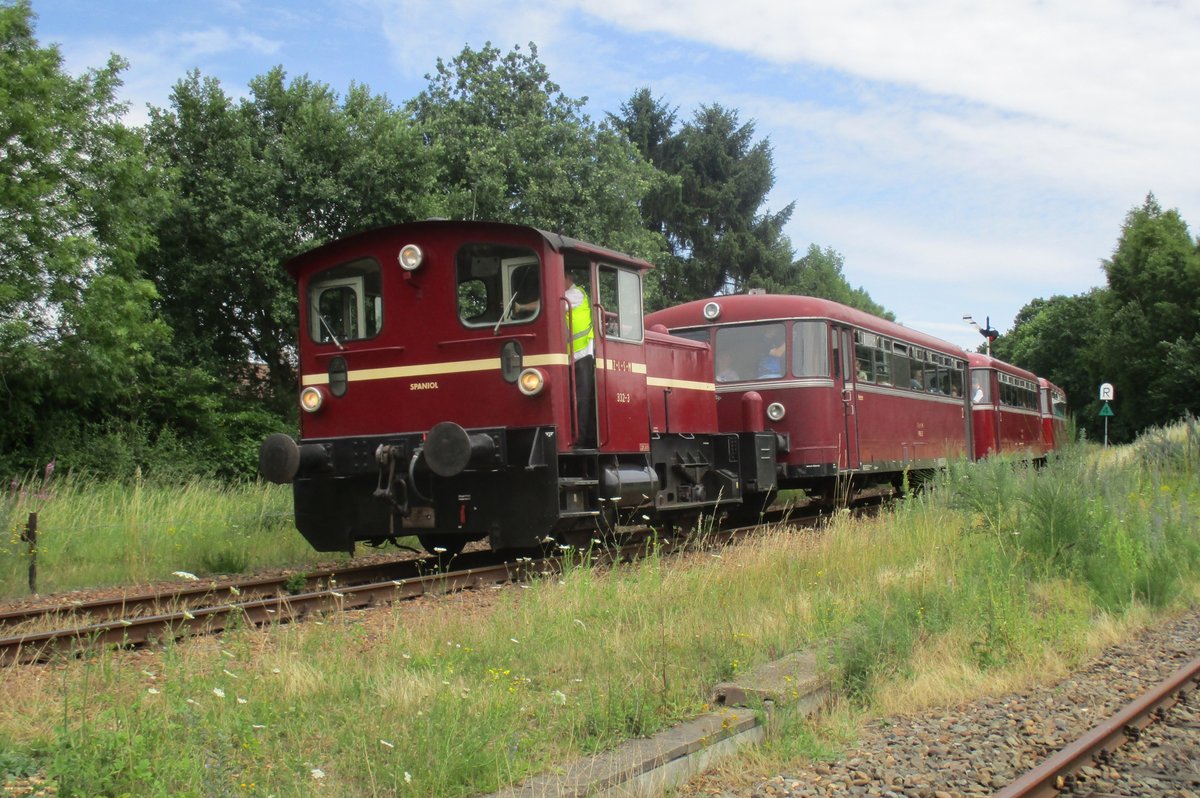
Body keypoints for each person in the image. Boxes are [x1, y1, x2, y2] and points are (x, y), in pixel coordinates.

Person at [564, 271, 596, 448]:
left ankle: (581, 439)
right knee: (574, 398)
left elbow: (548, 305)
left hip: (582, 353)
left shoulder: (575, 294)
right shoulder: (568, 295)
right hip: (571, 355)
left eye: (561, 278)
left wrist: (521, 307)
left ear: (569, 279)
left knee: (581, 399)